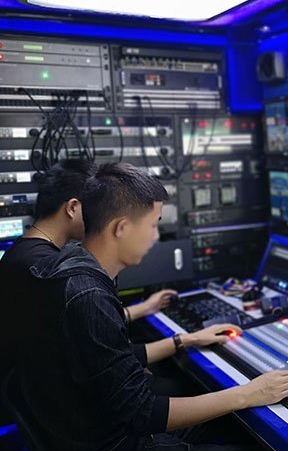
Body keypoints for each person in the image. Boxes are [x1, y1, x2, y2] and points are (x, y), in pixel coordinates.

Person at [16, 162, 288, 451]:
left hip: (93, 437)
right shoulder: (88, 296)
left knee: (236, 423)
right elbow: (142, 413)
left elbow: (107, 361)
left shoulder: (72, 266)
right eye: (153, 225)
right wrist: (250, 393)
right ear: (121, 228)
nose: (156, 237)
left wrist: (185, 340)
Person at [0, 160, 181, 380]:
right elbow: (88, 330)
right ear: (73, 207)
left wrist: (143, 308)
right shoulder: (45, 269)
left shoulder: (27, 252)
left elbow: (84, 324)